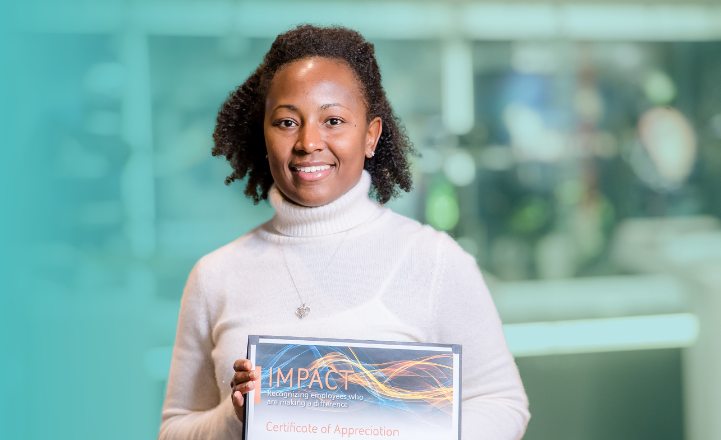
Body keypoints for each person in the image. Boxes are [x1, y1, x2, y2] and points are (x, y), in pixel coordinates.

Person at [158, 25, 529, 440]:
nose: (308, 142)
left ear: (370, 136)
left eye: (333, 120)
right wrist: (235, 417)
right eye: (286, 122)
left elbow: (501, 402)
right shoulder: (215, 276)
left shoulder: (436, 259)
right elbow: (174, 429)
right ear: (263, 133)